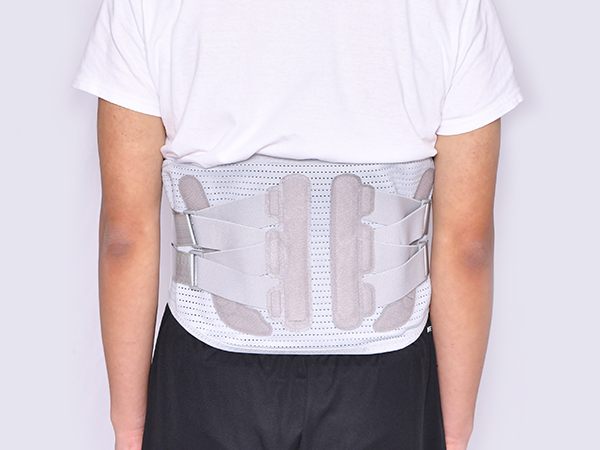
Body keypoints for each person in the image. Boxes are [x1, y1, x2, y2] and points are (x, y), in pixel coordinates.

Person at [74, 0, 521, 449]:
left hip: (209, 380)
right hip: (384, 389)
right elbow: (468, 248)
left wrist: (130, 428)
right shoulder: (454, 8)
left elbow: (125, 238)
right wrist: (453, 431)